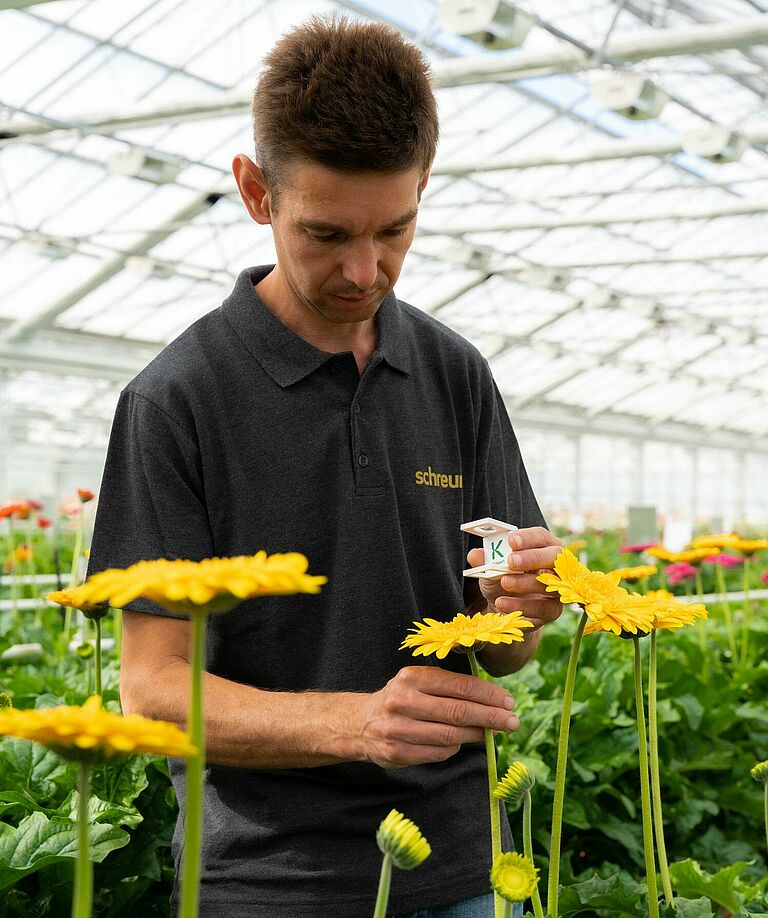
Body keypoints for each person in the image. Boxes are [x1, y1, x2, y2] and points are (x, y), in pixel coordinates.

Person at [87, 15, 563, 918]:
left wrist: (521, 606)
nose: (363, 269)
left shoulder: (455, 373)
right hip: (272, 880)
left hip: (465, 862)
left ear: (423, 186)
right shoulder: (176, 401)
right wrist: (356, 723)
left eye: (395, 230)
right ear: (255, 191)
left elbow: (504, 646)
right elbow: (152, 692)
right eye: (326, 232)